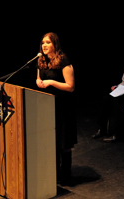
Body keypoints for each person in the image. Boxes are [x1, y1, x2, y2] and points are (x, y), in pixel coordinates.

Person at [36, 32, 77, 184]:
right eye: (43, 43)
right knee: (50, 143)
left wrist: (51, 83)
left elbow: (70, 87)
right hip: (46, 107)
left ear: (55, 45)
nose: (44, 45)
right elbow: (39, 78)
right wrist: (39, 82)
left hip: (62, 107)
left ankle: (66, 176)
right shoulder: (41, 60)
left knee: (63, 143)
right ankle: (53, 175)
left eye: (47, 42)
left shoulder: (63, 61)